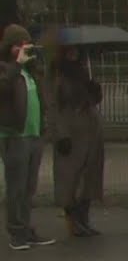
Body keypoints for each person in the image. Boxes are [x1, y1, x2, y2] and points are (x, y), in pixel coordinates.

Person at [0, 24, 56, 250]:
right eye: (18, 46)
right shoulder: (6, 69)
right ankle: (16, 232)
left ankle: (26, 227)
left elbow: (43, 97)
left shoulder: (31, 72)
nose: (22, 50)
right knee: (16, 186)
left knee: (29, 186)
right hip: (14, 135)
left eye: (25, 45)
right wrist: (16, 65)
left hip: (34, 134)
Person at [45, 38, 106, 238]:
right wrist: (60, 134)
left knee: (89, 177)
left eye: (77, 51)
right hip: (71, 133)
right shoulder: (57, 74)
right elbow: (53, 105)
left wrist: (95, 90)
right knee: (71, 178)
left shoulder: (82, 72)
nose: (74, 54)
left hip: (90, 131)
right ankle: (73, 219)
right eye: (70, 51)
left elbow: (91, 100)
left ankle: (84, 218)